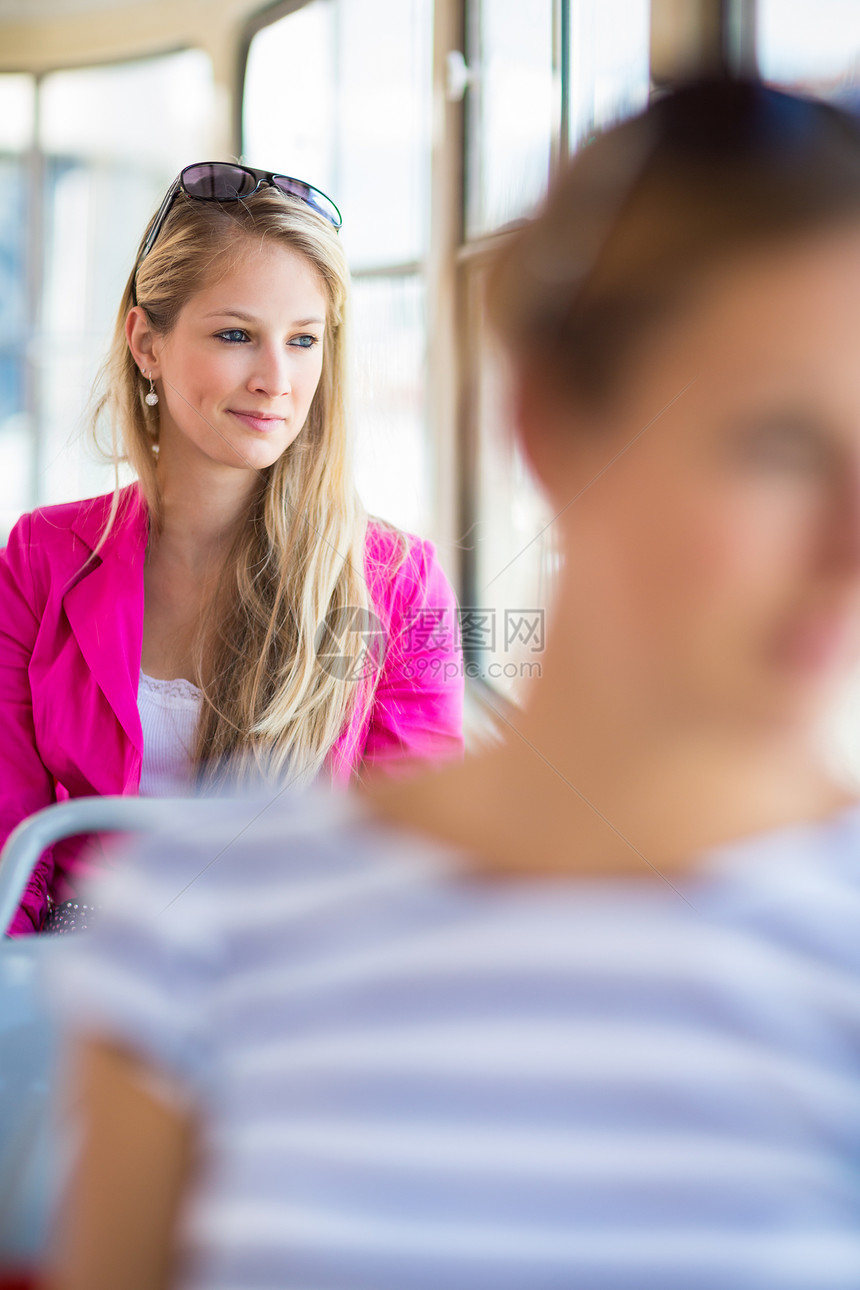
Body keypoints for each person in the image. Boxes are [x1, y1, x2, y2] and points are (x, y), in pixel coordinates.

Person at [48, 79, 860, 1289]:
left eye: (305, 340)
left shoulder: (390, 585)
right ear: (546, 418)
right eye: (777, 445)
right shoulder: (192, 928)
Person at [0, 163, 464, 936]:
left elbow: (410, 865)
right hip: (78, 960)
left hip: (293, 980)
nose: (276, 379)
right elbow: (9, 840)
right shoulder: (41, 557)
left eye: (303, 340)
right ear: (146, 342)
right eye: (236, 335)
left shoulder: (398, 584)